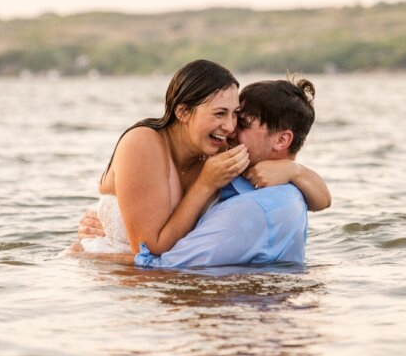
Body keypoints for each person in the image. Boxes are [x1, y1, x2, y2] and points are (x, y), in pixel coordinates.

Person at [73, 59, 330, 259]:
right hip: (110, 281)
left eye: (235, 115)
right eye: (220, 113)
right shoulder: (143, 143)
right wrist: (205, 184)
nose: (230, 127)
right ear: (183, 111)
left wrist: (294, 171)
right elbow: (149, 249)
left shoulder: (219, 149)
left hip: (156, 281)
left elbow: (322, 201)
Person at [134, 75, 321, 268]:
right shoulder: (243, 174)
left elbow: (163, 269)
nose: (230, 129)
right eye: (230, 116)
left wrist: (107, 256)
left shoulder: (255, 209)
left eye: (243, 124)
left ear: (281, 141)